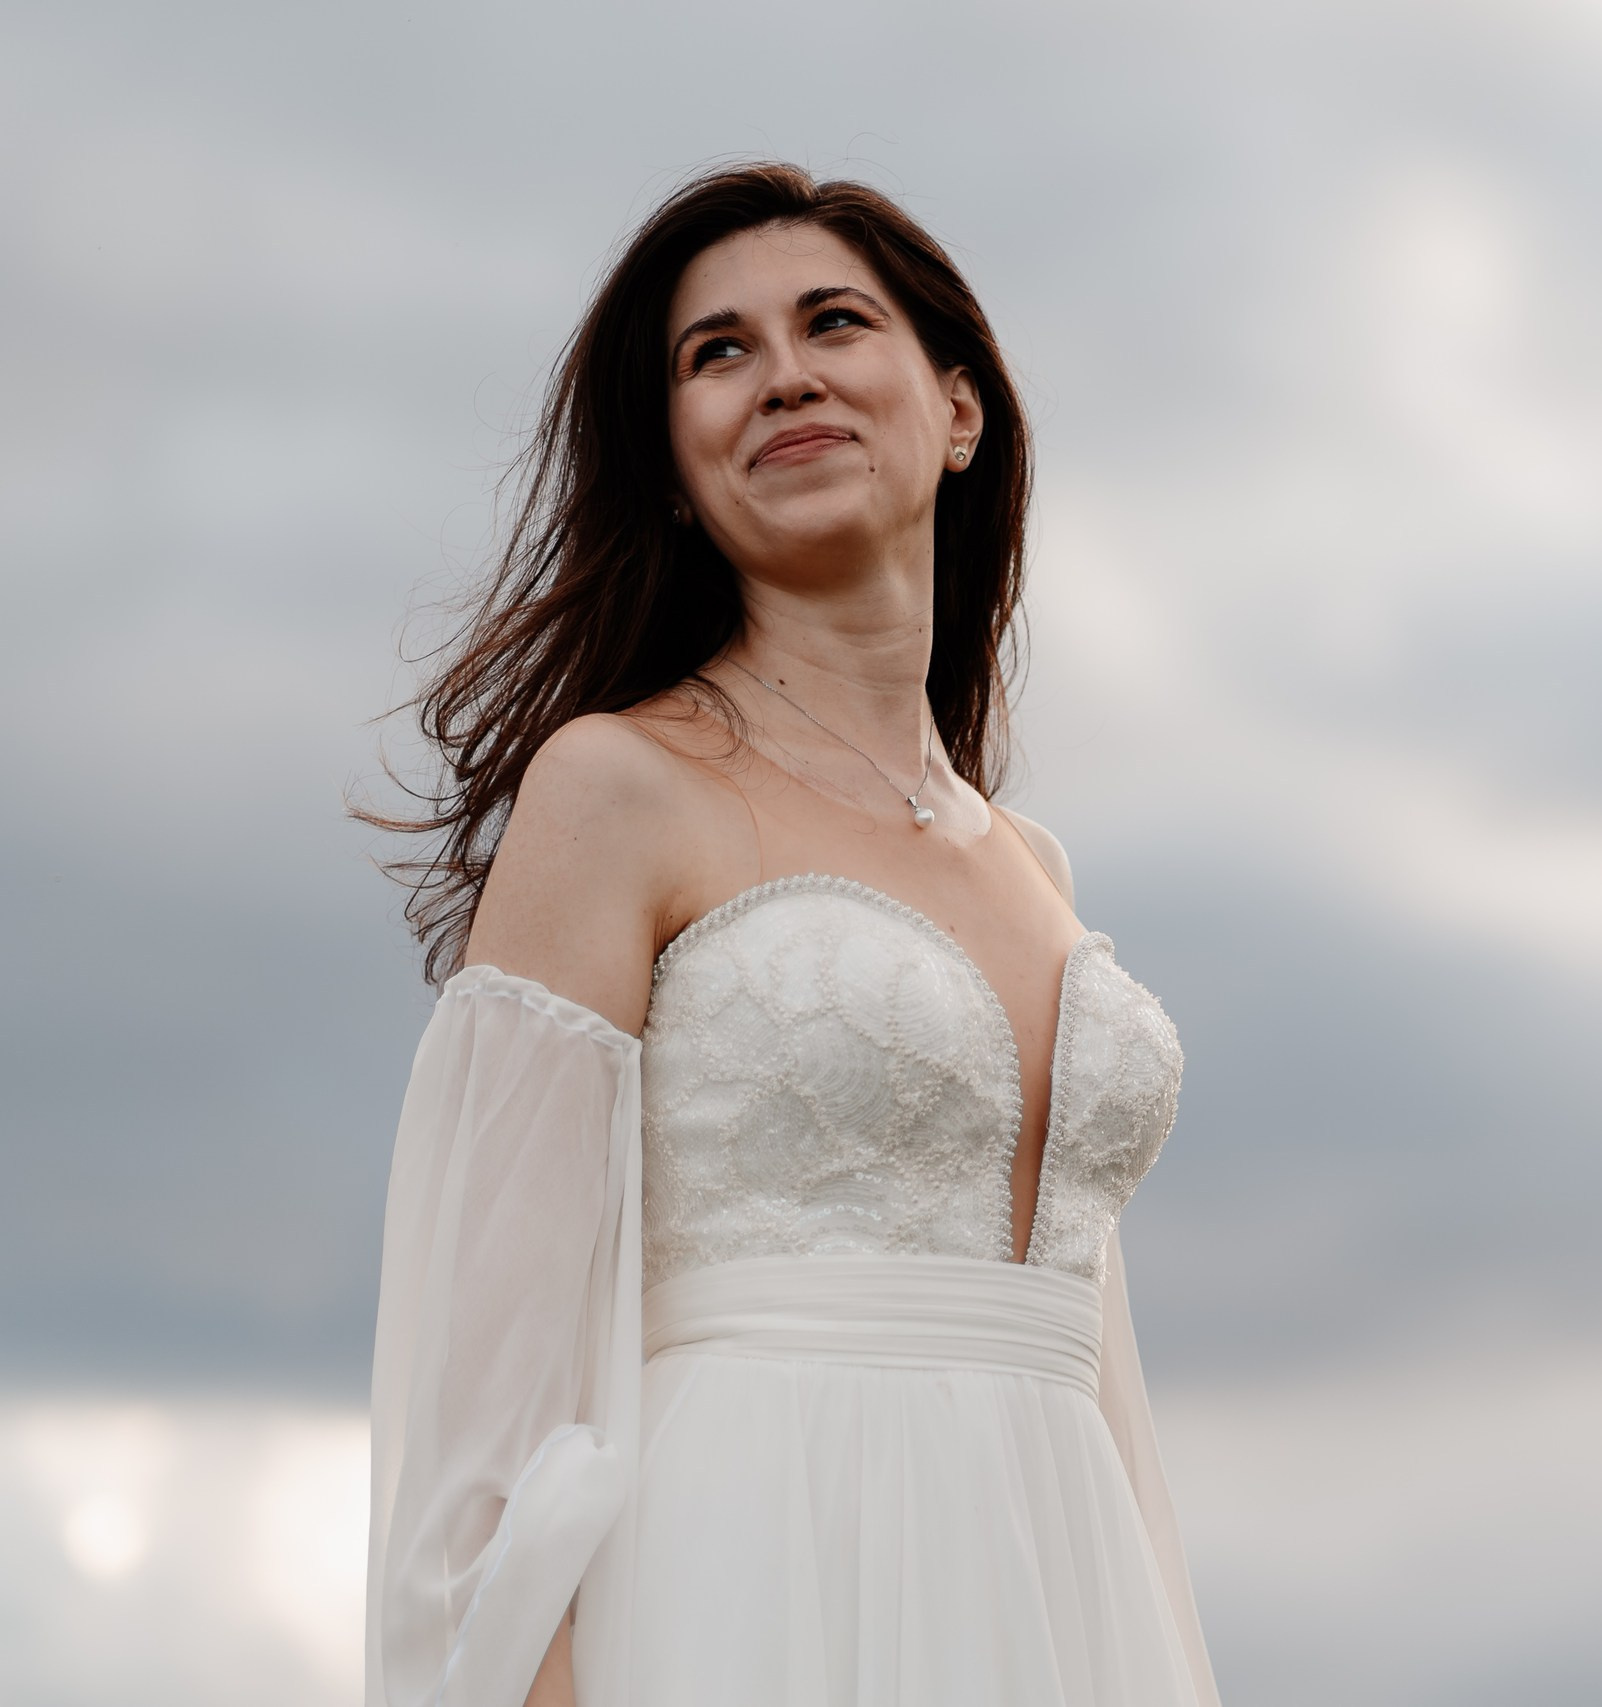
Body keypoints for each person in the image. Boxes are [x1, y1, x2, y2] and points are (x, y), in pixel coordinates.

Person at [361, 163, 1219, 1707]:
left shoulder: (1037, 867)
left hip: (1057, 1609)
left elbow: (1104, 1388)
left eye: (833, 322)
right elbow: (483, 1409)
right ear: (679, 462)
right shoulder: (618, 789)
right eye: (720, 352)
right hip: (738, 1592)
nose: (786, 375)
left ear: (961, 410)